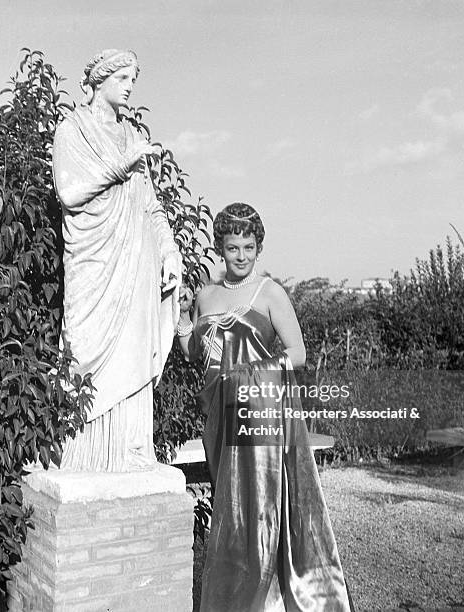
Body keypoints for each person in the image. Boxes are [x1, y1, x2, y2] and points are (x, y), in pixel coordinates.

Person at [178, 203, 352, 611]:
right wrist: (183, 318)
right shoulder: (206, 294)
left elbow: (298, 353)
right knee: (232, 514)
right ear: (220, 247)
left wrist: (248, 372)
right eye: (233, 247)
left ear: (259, 248)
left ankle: (266, 601)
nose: (241, 256)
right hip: (217, 419)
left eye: (249, 247)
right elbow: (195, 354)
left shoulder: (270, 292)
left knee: (261, 512)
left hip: (258, 414)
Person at [52, 49, 181, 471]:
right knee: (84, 350)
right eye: (123, 78)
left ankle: (128, 451)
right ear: (101, 80)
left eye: (133, 80)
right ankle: (80, 451)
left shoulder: (131, 135)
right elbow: (69, 193)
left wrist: (170, 250)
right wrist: (121, 165)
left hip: (137, 263)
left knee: (133, 351)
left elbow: (151, 205)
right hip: (94, 263)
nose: (129, 87)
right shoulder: (73, 129)